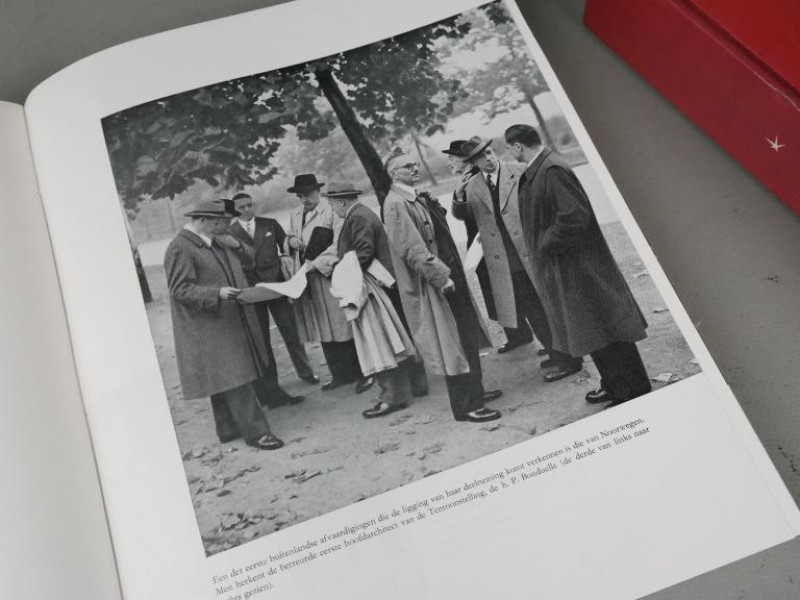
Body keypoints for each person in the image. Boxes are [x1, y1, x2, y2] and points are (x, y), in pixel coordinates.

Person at [505, 123, 651, 408]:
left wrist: (546, 244)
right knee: (592, 327)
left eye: (509, 148)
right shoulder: (543, 167)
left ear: (517, 146)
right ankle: (614, 384)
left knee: (606, 327)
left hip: (579, 266)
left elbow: (573, 217)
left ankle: (630, 392)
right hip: (571, 266)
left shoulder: (550, 170)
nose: (509, 153)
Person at [382, 152, 502, 423]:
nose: (415, 168)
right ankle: (466, 405)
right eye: (407, 166)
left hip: (449, 275)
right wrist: (441, 278)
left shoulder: (412, 196)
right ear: (393, 174)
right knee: (453, 343)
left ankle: (477, 391)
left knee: (467, 335)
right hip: (437, 284)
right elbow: (412, 250)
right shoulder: (395, 204)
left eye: (415, 163)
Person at [452, 136, 582, 382]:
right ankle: (559, 356)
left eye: (490, 152)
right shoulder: (472, 184)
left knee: (549, 307)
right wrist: (458, 195)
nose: (488, 158)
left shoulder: (520, 171)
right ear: (473, 163)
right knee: (533, 312)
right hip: (506, 263)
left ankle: (569, 359)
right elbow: (463, 214)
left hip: (533, 252)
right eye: (481, 157)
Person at [163, 199, 283, 450]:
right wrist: (217, 293)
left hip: (227, 319)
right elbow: (180, 290)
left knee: (222, 378)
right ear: (202, 220)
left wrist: (237, 244)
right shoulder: (181, 247)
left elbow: (251, 259)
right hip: (209, 324)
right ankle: (257, 432)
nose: (226, 226)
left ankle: (228, 429)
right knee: (235, 375)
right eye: (220, 222)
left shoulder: (217, 239)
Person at [326, 181, 418, 419]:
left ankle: (392, 396)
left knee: (379, 343)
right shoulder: (361, 214)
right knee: (391, 340)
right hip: (375, 283)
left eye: (332, 203)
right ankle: (407, 389)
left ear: (342, 201)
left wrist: (339, 270)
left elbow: (362, 254)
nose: (332, 208)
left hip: (371, 287)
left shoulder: (357, 217)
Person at [284, 174, 374, 394]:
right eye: (300, 196)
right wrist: (290, 241)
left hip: (331, 273)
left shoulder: (331, 211)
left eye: (308, 194)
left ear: (317, 191)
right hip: (309, 279)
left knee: (344, 323)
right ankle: (340, 374)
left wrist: (316, 264)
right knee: (324, 327)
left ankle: (364, 372)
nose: (304, 199)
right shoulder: (296, 215)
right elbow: (289, 239)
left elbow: (339, 244)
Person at [443, 140, 534, 352]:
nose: (449, 163)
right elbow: (459, 212)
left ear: (466, 158)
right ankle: (517, 334)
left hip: (493, 246)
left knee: (506, 291)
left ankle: (520, 334)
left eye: (451, 158)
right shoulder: (469, 180)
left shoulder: (480, 176)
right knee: (496, 292)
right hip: (483, 247)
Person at [228, 192, 319, 387]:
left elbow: (285, 242)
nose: (246, 210)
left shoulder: (268, 223)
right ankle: (271, 385)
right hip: (251, 289)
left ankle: (306, 372)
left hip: (277, 284)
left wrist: (292, 242)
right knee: (261, 337)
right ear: (235, 210)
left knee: (291, 331)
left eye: (249, 205)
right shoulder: (230, 232)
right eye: (241, 207)